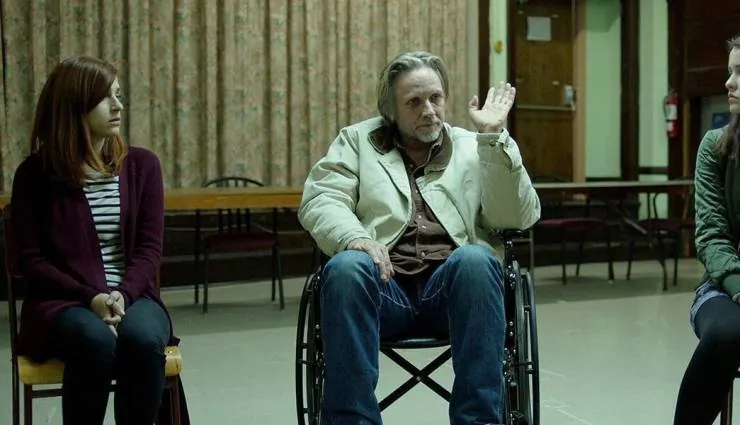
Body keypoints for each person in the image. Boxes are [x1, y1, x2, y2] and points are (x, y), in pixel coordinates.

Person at [298, 51, 541, 425]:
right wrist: (355, 237)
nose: (429, 110)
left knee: (477, 259)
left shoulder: (475, 145)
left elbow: (517, 216)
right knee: (346, 267)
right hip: (383, 290)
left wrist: (493, 139)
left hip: (455, 294)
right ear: (391, 111)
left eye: (435, 98)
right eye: (414, 102)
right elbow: (322, 198)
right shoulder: (356, 142)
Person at [10, 56, 188, 425]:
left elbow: (149, 250)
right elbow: (32, 261)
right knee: (94, 340)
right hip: (63, 302)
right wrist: (90, 298)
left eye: (118, 95)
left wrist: (121, 294)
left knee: (142, 340)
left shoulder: (143, 166)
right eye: (105, 98)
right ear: (74, 107)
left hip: (133, 295)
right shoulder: (34, 176)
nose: (118, 106)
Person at [673, 35, 740, 425]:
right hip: (723, 286)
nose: (728, 82)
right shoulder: (715, 146)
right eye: (730, 71)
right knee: (727, 334)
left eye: (739, 72)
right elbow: (712, 235)